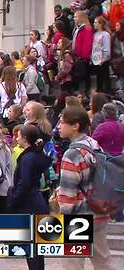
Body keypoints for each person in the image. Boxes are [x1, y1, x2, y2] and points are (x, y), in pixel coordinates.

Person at [58, 106, 112, 270]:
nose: (59, 126)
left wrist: (64, 215)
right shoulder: (95, 146)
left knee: (72, 264)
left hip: (78, 216)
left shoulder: (72, 154)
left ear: (75, 126)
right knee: (103, 262)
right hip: (99, 210)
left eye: (62, 123)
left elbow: (68, 192)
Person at [8, 124, 51, 270]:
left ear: (25, 139)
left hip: (29, 204)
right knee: (36, 249)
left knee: (32, 247)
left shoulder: (28, 158)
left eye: (18, 135)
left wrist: (13, 199)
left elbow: (24, 182)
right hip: (36, 201)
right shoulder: (36, 155)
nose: (16, 138)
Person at [72, 11, 94, 95]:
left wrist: (83, 56)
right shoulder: (77, 28)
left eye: (76, 17)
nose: (74, 19)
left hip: (83, 57)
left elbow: (87, 44)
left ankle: (86, 91)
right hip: (76, 55)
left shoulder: (86, 29)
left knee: (84, 74)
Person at [92, 16, 112, 94]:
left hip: (103, 60)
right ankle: (99, 92)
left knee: (105, 77)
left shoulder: (105, 35)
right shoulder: (95, 34)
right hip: (96, 59)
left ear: (101, 24)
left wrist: (104, 58)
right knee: (98, 78)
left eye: (96, 22)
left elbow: (106, 47)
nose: (94, 24)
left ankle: (107, 93)